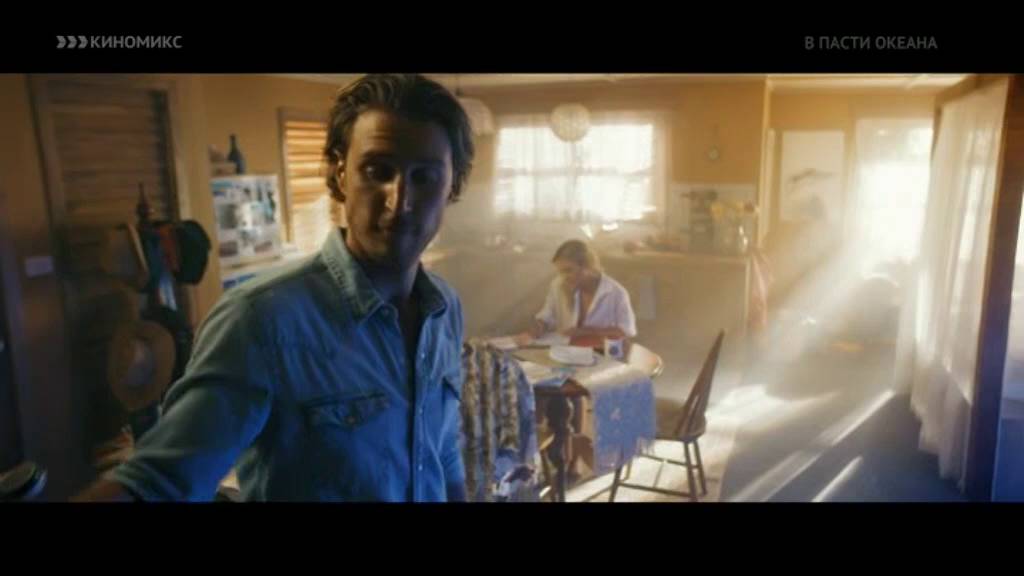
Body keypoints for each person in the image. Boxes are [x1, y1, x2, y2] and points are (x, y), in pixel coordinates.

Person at [73, 74, 475, 502]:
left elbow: (441, 453)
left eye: (425, 177)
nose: (399, 202)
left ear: (452, 185)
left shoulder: (444, 309)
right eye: (378, 171)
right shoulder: (263, 321)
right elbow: (158, 483)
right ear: (340, 174)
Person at [523, 239, 637, 345]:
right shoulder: (558, 285)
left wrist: (586, 331)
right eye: (560, 272)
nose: (564, 277)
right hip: (565, 352)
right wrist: (540, 325)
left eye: (568, 270)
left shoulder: (616, 293)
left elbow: (626, 331)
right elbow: (547, 314)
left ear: (588, 266)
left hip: (600, 353)